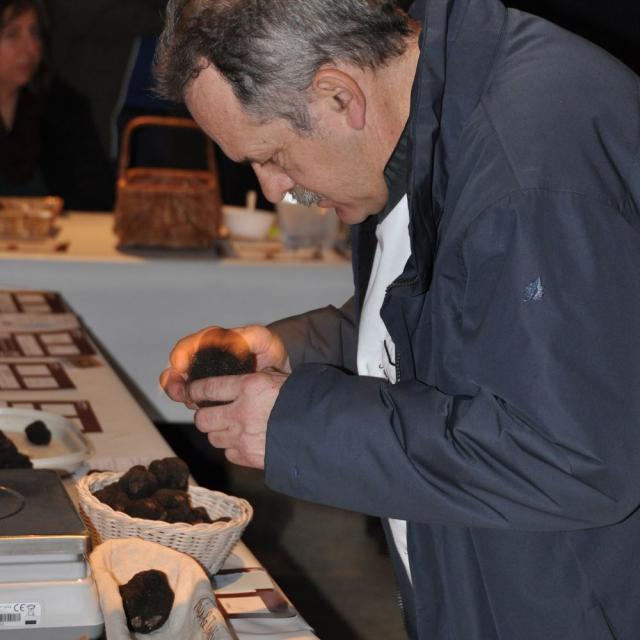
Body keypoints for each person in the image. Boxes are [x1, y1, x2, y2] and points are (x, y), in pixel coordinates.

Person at [155, 0, 640, 637]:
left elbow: (573, 456)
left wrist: (301, 425)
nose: (273, 189)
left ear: (337, 95)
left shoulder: (528, 163)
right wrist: (299, 350)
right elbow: (469, 315)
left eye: (270, 155)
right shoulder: (438, 109)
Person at [0, 0, 113, 209]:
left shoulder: (61, 105)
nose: (30, 48)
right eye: (12, 34)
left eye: (35, 33)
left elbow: (96, 196)